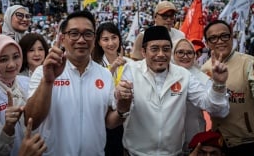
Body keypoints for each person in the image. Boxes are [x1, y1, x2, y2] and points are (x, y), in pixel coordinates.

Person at [23, 10, 132, 155]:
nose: (81, 40)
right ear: (62, 39)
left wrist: (122, 110)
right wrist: (48, 81)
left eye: (87, 34)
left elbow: (108, 122)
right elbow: (31, 120)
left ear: (94, 40)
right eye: (74, 33)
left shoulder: (105, 75)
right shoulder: (43, 72)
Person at [118, 25, 229, 155]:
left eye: (166, 49)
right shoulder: (131, 70)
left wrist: (219, 84)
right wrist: (122, 97)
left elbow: (212, 107)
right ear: (143, 52)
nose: (161, 54)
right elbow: (123, 110)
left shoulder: (183, 75)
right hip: (135, 153)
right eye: (154, 49)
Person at [201, 20, 254, 155]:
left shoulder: (249, 63)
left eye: (224, 36)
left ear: (231, 37)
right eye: (213, 38)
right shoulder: (205, 68)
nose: (220, 41)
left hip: (245, 142)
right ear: (207, 42)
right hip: (217, 141)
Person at [0, 35, 29, 156]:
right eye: (3, 59)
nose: (12, 65)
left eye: (16, 57)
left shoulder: (28, 82)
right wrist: (8, 128)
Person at [92, 22, 133, 155]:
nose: (111, 43)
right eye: (105, 39)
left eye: (114, 37)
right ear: (98, 42)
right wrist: (113, 67)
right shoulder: (93, 65)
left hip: (126, 119)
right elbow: (95, 89)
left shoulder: (130, 64)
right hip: (103, 119)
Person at [172, 39, 211, 154]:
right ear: (173, 54)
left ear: (195, 55)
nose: (185, 56)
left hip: (193, 131)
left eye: (189, 53)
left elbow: (212, 103)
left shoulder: (202, 77)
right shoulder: (164, 73)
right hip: (169, 134)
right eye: (180, 52)